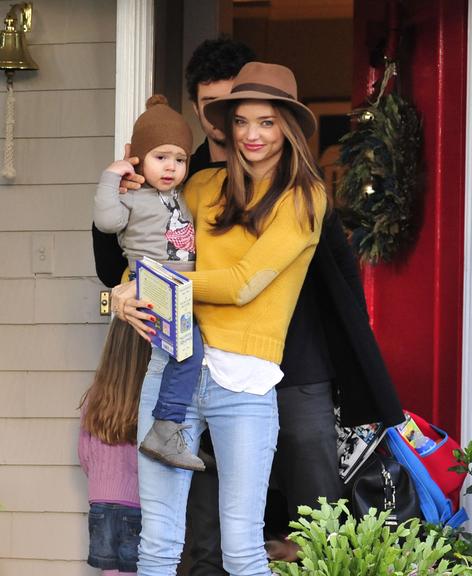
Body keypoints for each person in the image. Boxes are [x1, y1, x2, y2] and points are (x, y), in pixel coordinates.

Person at [111, 61, 327, 576]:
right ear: (227, 126)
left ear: (289, 128)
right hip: (172, 370)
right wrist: (122, 290)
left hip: (245, 383)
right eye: (242, 121)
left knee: (243, 550)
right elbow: (148, 251)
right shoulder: (201, 186)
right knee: (158, 545)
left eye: (268, 122)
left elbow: (241, 283)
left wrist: (148, 285)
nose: (252, 134)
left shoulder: (304, 198)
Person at [93, 95, 206, 472]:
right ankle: (166, 426)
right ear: (140, 159)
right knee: (188, 352)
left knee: (181, 355)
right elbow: (107, 222)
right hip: (153, 283)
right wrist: (113, 175)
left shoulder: (176, 197)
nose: (172, 166)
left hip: (177, 287)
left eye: (180, 158)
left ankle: (174, 430)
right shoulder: (134, 197)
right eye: (161, 157)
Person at [78, 318, 149, 576]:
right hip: (137, 503)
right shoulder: (148, 395)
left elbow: (85, 453)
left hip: (100, 503)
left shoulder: (95, 395)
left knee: (110, 573)